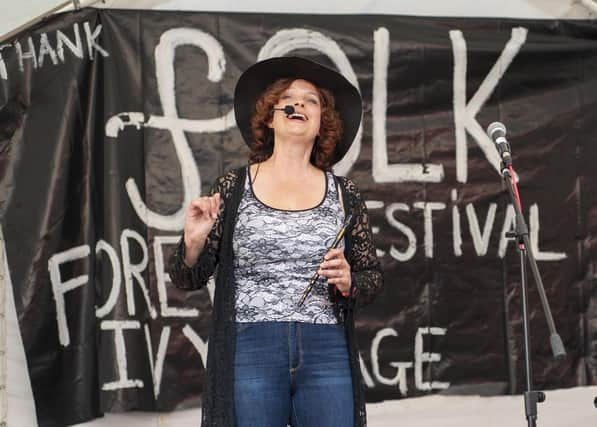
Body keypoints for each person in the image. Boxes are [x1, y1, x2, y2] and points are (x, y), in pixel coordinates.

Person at [169, 56, 383, 427]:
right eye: (289, 97)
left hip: (326, 347)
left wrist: (350, 280)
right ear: (270, 116)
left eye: (311, 100)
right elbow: (188, 278)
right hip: (251, 345)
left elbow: (372, 279)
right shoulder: (233, 188)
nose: (298, 103)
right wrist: (193, 243)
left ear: (321, 124)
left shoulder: (344, 194)